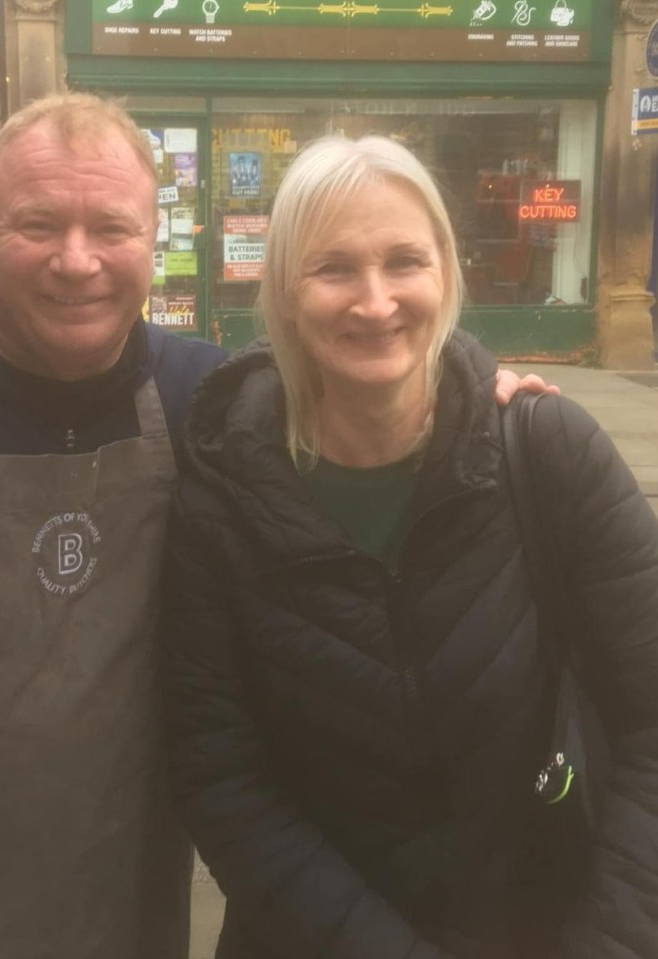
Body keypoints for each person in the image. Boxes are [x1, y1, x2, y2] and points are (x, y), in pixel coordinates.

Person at [0, 95, 546, 957]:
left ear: (154, 240)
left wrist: (474, 392)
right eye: (37, 224)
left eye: (112, 228)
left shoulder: (213, 402)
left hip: (130, 917)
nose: (76, 259)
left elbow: (366, 387)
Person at [162, 135, 658, 959]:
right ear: (283, 293)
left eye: (403, 261)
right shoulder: (220, 501)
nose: (375, 300)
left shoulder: (546, 451)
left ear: (445, 275)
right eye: (333, 269)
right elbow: (221, 779)